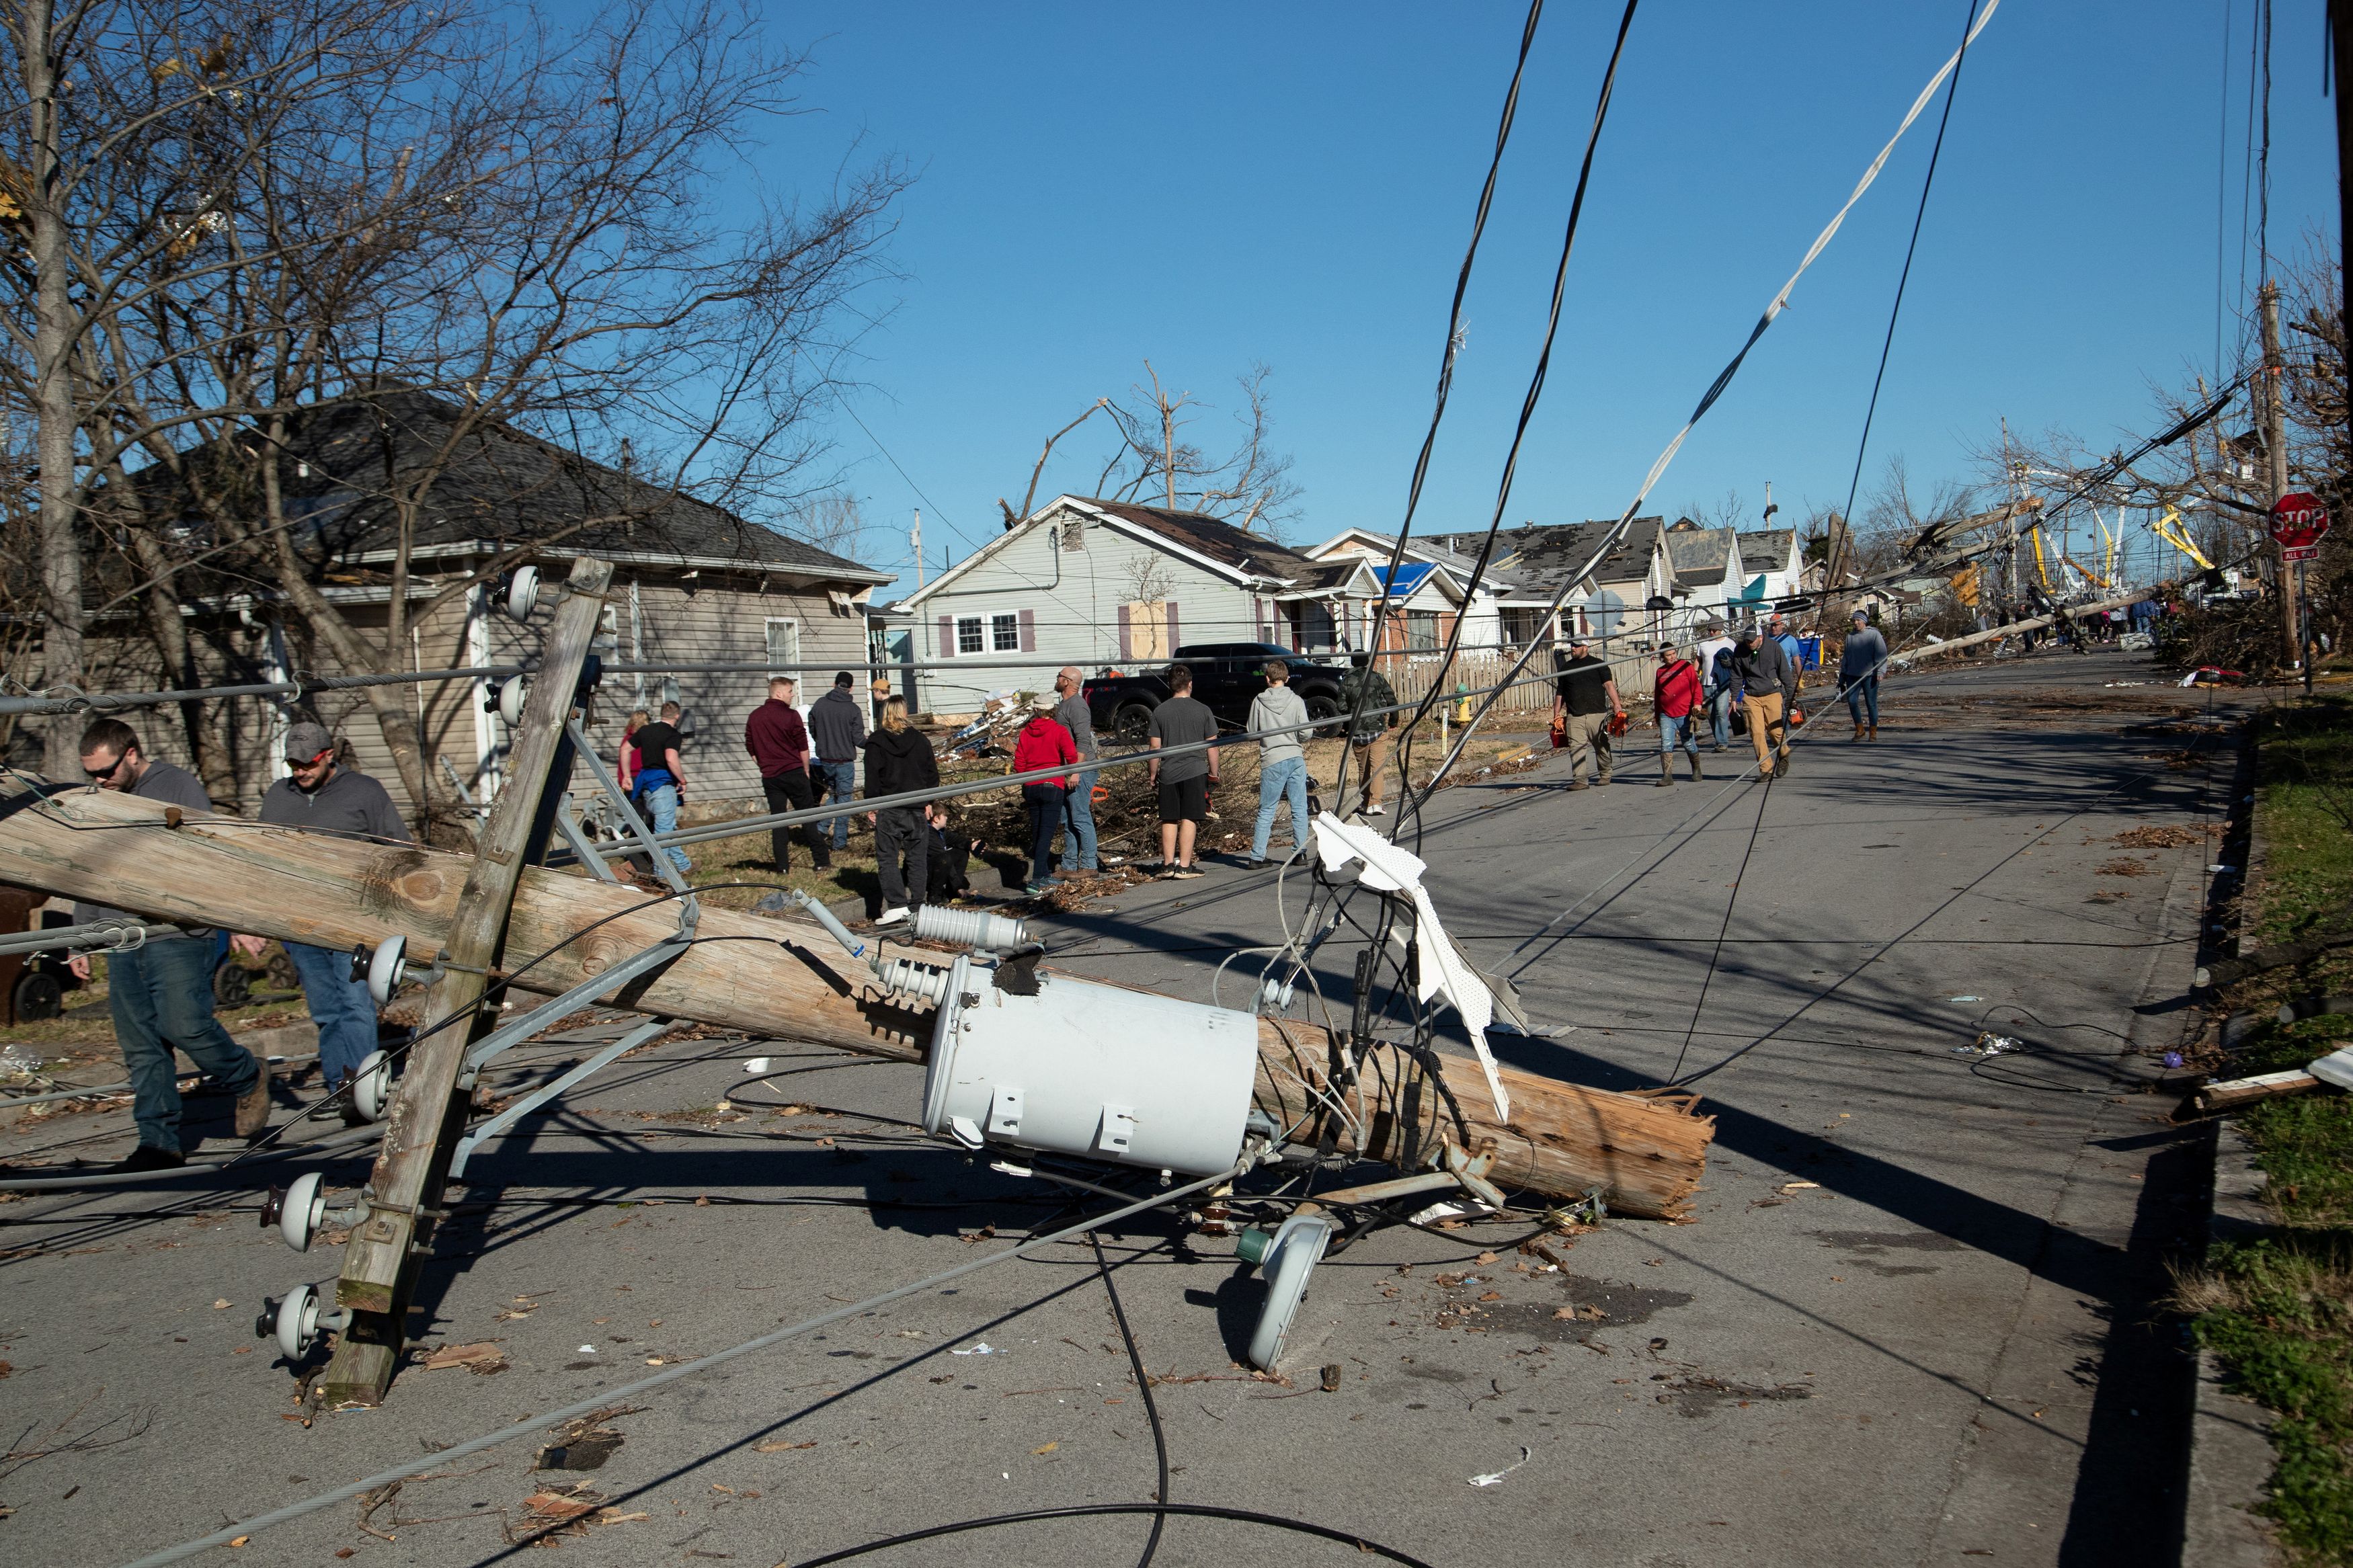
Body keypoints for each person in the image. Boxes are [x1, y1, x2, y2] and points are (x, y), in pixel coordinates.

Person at [67, 718, 270, 1169]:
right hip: (122, 936)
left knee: (184, 1025)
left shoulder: (177, 786)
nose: (99, 782)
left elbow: (209, 853)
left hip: (176, 932)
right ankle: (158, 1143)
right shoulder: (98, 800)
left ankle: (246, 1073)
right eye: (91, 775)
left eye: (106, 772)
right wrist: (79, 940)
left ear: (132, 754)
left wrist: (235, 919)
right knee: (141, 1045)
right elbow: (89, 870)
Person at [253, 721, 410, 1120]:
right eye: (293, 764)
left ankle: (360, 1089)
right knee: (325, 1010)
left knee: (354, 1004)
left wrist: (396, 908)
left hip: (355, 920)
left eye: (308, 763)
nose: (300, 771)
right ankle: (334, 1089)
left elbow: (399, 849)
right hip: (302, 922)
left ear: (327, 757)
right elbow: (261, 854)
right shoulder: (278, 796)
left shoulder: (364, 791)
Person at [861, 696, 937, 924]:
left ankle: (897, 905)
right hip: (916, 808)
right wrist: (929, 800)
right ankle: (917, 905)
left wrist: (871, 806)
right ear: (905, 713)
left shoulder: (876, 743)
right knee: (917, 860)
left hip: (889, 808)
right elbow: (932, 774)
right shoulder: (920, 740)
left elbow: (872, 779)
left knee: (887, 859)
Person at [744, 677, 828, 873]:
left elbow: (750, 746)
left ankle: (782, 866)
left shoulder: (755, 717)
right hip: (794, 771)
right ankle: (821, 860)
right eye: (791, 691)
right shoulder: (790, 716)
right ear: (779, 693)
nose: (793, 695)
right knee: (807, 816)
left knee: (778, 821)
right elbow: (802, 746)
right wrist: (806, 769)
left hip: (771, 776)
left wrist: (764, 764)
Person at [1146, 663, 1219, 877]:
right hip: (1195, 771)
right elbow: (1212, 746)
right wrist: (1214, 773)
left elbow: (1154, 747)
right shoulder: (1203, 710)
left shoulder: (1160, 711)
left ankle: (1168, 865)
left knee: (1168, 817)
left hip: (1168, 772)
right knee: (1189, 816)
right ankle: (1185, 866)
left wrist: (1153, 774)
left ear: (1171, 686)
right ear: (1190, 684)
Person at [1243, 659, 1312, 868]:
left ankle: (1257, 856)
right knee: (1299, 807)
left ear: (1267, 679)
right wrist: (1297, 739)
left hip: (1271, 759)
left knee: (1267, 809)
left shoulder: (1259, 701)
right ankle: (1300, 853)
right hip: (1295, 757)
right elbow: (1306, 732)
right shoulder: (1297, 701)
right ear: (1287, 678)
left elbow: (1252, 731)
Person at [1011, 692, 1078, 893]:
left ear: (1035, 710)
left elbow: (1019, 763)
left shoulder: (1025, 733)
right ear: (1052, 709)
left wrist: (1028, 777)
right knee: (1045, 835)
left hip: (1031, 786)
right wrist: (1066, 770)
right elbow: (1072, 755)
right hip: (1052, 786)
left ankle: (1043, 874)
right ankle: (1037, 879)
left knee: (1038, 832)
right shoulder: (1059, 731)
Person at [1053, 666, 1115, 872]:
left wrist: (1076, 771)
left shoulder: (1077, 706)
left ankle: (1089, 865)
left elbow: (1083, 741)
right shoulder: (1065, 704)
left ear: (1068, 681)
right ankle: (1069, 865)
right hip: (1069, 770)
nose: (1057, 678)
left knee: (1080, 817)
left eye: (1060, 676)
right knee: (1068, 819)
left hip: (1082, 769)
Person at [1550, 635, 1623, 790]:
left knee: (1601, 746)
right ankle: (1581, 780)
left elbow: (1609, 685)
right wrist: (1556, 714)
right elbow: (1560, 693)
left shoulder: (1598, 665)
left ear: (1585, 647)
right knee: (1576, 748)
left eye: (1576, 646)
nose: (1573, 648)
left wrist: (1617, 704)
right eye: (1572, 646)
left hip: (1597, 714)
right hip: (1574, 716)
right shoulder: (1566, 668)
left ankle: (1605, 774)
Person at [808, 671, 867, 856]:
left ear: (835, 684)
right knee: (844, 801)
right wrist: (874, 743)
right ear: (851, 688)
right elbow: (858, 739)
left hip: (825, 760)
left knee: (835, 795)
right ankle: (839, 842)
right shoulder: (853, 710)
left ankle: (822, 828)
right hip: (844, 761)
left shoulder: (819, 704)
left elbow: (813, 728)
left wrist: (823, 741)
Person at [1729, 622, 1798, 779]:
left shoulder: (1773, 647)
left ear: (1761, 637)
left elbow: (1784, 672)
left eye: (1752, 640)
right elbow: (1736, 675)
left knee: (1775, 731)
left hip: (1772, 693)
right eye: (1747, 640)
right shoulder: (1740, 650)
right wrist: (1734, 697)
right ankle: (1765, 769)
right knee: (1757, 733)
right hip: (1751, 695)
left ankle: (1784, 754)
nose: (1749, 643)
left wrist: (1790, 695)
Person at [630, 700, 692, 874]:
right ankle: (661, 874)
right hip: (662, 784)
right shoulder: (673, 735)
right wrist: (682, 780)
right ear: (677, 716)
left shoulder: (646, 730)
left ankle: (683, 865)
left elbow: (625, 749)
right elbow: (671, 758)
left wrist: (627, 776)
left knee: (667, 826)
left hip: (645, 785)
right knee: (663, 832)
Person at [1337, 653, 1396, 817]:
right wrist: (1393, 721)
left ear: (1352, 662)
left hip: (1357, 730)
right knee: (1377, 767)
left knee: (1363, 768)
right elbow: (1391, 699)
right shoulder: (1376, 677)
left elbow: (1341, 705)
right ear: (1368, 661)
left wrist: (1352, 713)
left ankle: (1364, 802)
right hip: (1377, 727)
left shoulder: (1347, 680)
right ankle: (1375, 803)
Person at [1651, 641, 1704, 786]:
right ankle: (1667, 777)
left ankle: (1696, 769)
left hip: (1685, 713)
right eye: (1668, 655)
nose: (1672, 657)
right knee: (1666, 745)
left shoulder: (1686, 667)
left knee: (1688, 743)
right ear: (1663, 657)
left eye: (1674, 653)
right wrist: (1657, 714)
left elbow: (1696, 687)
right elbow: (1658, 695)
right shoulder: (1660, 672)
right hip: (1666, 715)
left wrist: (1697, 703)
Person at [1841, 609, 1888, 741]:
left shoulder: (1874, 635)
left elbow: (1882, 654)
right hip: (1852, 675)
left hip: (1870, 675)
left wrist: (1881, 671)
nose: (1856, 623)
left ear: (1864, 621)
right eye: (1854, 621)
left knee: (1871, 704)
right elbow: (1846, 657)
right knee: (1852, 701)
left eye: (1858, 620)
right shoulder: (1850, 637)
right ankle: (1860, 730)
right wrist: (1842, 674)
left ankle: (1873, 732)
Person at [923, 802, 979, 903]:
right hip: (925, 873)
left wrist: (970, 845)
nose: (947, 818)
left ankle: (951, 892)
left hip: (936, 868)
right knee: (945, 859)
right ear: (936, 819)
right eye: (944, 816)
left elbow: (956, 839)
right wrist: (959, 886)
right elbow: (944, 859)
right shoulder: (929, 835)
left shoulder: (941, 831)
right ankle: (935, 896)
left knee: (961, 853)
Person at [1693, 620, 1734, 751]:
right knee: (1710, 713)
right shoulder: (1704, 644)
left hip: (1723, 683)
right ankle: (1718, 739)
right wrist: (1694, 674)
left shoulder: (1730, 643)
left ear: (1720, 630)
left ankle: (1723, 742)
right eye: (1709, 630)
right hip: (1706, 683)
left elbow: (1736, 663)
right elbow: (1698, 660)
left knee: (1721, 712)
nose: (1711, 632)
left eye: (1714, 630)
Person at [618, 708, 648, 795]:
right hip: (644, 777)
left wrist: (621, 780)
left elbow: (621, 762)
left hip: (630, 778)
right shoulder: (647, 739)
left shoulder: (627, 739)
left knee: (633, 806)